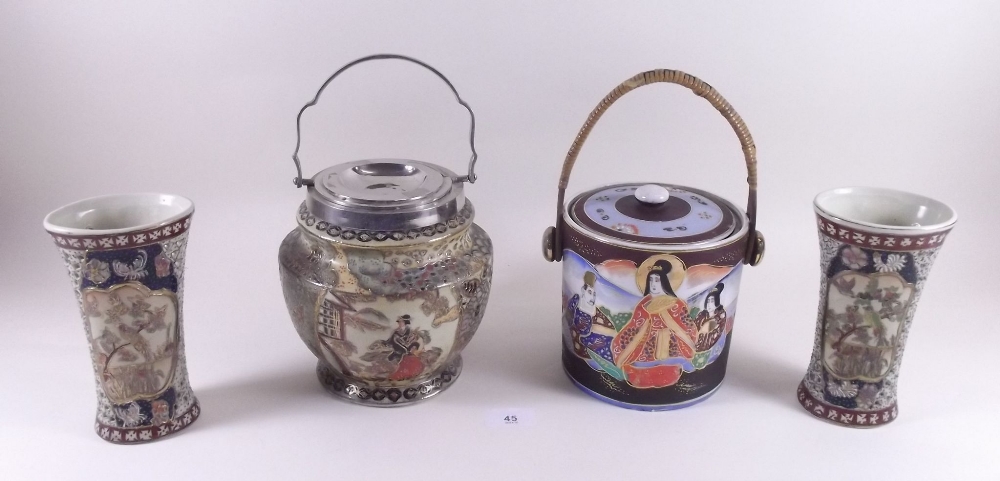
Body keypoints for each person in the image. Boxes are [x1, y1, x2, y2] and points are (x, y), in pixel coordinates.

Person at [610, 260, 696, 388]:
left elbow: (687, 327)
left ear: (664, 282)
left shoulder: (676, 304)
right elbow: (634, 325)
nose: (653, 284)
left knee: (668, 363)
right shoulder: (644, 304)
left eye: (657, 280)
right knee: (628, 353)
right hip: (643, 344)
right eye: (651, 281)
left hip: (670, 346)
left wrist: (668, 325)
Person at [565, 271, 616, 363]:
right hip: (578, 343)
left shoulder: (597, 313)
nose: (592, 297)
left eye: (594, 294)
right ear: (583, 291)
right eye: (589, 292)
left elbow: (611, 330)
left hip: (591, 340)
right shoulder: (575, 301)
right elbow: (567, 316)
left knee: (611, 344)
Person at [386, 315, 424, 380]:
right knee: (394, 357)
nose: (399, 323)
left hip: (409, 348)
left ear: (404, 322)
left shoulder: (409, 330)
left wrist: (409, 343)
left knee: (409, 359)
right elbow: (392, 340)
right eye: (399, 322)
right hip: (399, 348)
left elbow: (413, 338)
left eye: (401, 322)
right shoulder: (396, 332)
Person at [694, 283, 727, 352]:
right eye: (708, 301)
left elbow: (702, 333)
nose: (709, 304)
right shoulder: (702, 315)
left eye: (712, 301)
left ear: (717, 302)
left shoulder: (719, 317)